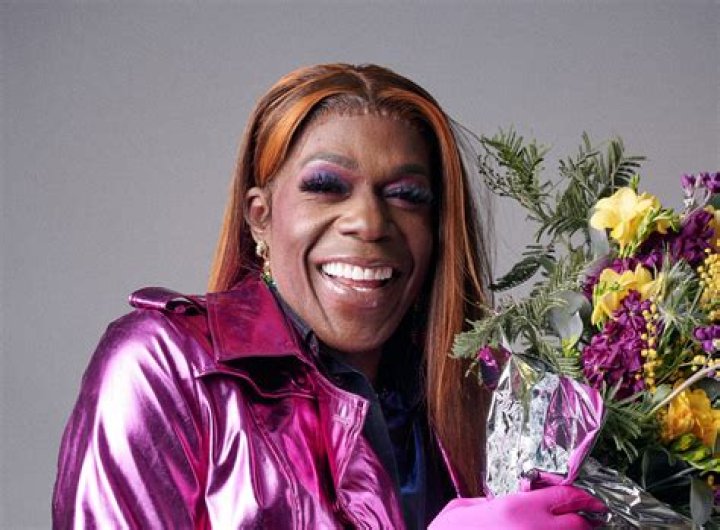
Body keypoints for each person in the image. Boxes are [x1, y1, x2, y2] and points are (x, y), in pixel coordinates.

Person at [52, 63, 606, 529]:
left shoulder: (489, 399)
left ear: (438, 231)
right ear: (260, 218)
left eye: (406, 195)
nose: (369, 222)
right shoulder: (166, 369)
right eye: (325, 187)